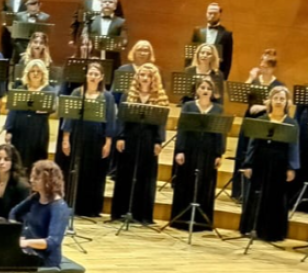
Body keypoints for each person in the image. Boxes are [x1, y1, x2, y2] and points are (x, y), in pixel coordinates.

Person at [238, 85, 298, 243]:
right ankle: (252, 227)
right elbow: (252, 145)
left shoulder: (292, 123)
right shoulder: (261, 120)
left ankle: (271, 232)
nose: (278, 102)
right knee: (256, 194)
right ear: (270, 101)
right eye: (276, 98)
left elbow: (293, 146)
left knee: (276, 197)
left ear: (287, 102)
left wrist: (291, 167)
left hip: (279, 164)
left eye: (282, 99)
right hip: (260, 161)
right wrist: (248, 164)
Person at [111, 63, 169, 225]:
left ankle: (141, 214)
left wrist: (159, 141)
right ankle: (121, 211)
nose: (145, 78)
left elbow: (161, 123)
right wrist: (120, 137)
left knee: (146, 175)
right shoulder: (127, 95)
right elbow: (121, 119)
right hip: (130, 138)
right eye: (142, 75)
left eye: (148, 76)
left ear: (153, 79)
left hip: (149, 140)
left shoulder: (160, 98)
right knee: (125, 174)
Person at [60, 62, 117, 218]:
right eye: (90, 74)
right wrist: (66, 138)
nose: (92, 77)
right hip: (78, 136)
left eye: (96, 74)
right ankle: (73, 205)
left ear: (101, 78)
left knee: (94, 172)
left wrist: (108, 142)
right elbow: (69, 118)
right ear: (86, 76)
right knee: (76, 170)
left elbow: (110, 120)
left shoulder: (107, 97)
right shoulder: (77, 93)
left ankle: (90, 208)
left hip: (97, 137)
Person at [170, 77, 224, 232]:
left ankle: (202, 221)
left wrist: (218, 154)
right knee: (186, 181)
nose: (205, 90)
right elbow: (182, 130)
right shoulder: (188, 106)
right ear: (197, 90)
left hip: (208, 152)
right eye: (202, 87)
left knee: (205, 184)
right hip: (189, 149)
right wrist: (180, 150)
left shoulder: (218, 109)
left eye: (208, 88)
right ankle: (181, 219)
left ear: (213, 92)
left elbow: (219, 134)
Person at [232, 49, 284, 203]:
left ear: (273, 68)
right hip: (250, 120)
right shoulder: (255, 81)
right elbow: (241, 94)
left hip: (266, 123)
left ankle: (253, 190)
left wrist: (263, 108)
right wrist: (250, 77)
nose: (263, 69)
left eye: (266, 66)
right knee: (243, 151)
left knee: (255, 154)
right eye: (261, 65)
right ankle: (238, 191)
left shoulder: (278, 86)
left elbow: (283, 106)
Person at [9, 160, 70, 268]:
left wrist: (26, 242)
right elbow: (14, 213)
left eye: (36, 178)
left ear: (49, 181)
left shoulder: (58, 207)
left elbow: (52, 242)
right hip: (29, 251)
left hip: (44, 258)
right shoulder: (35, 198)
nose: (31, 180)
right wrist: (17, 235)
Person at [4, 58, 57, 171]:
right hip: (20, 129)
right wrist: (8, 130)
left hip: (38, 129)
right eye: (33, 71)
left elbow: (54, 108)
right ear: (27, 73)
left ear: (43, 74)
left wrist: (47, 109)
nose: (35, 74)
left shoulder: (49, 90)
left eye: (38, 71)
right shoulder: (20, 89)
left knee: (37, 160)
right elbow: (13, 111)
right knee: (18, 159)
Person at [0, 145, 31, 219]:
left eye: (6, 159)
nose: (1, 162)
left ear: (13, 162)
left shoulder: (22, 187)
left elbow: (22, 216)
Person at [191, 2, 233, 79]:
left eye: (215, 13)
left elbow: (228, 60)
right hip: (197, 73)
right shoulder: (198, 31)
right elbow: (191, 55)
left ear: (219, 14)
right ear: (206, 14)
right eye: (210, 13)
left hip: (216, 75)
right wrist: (189, 73)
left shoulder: (227, 34)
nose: (212, 16)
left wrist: (223, 79)